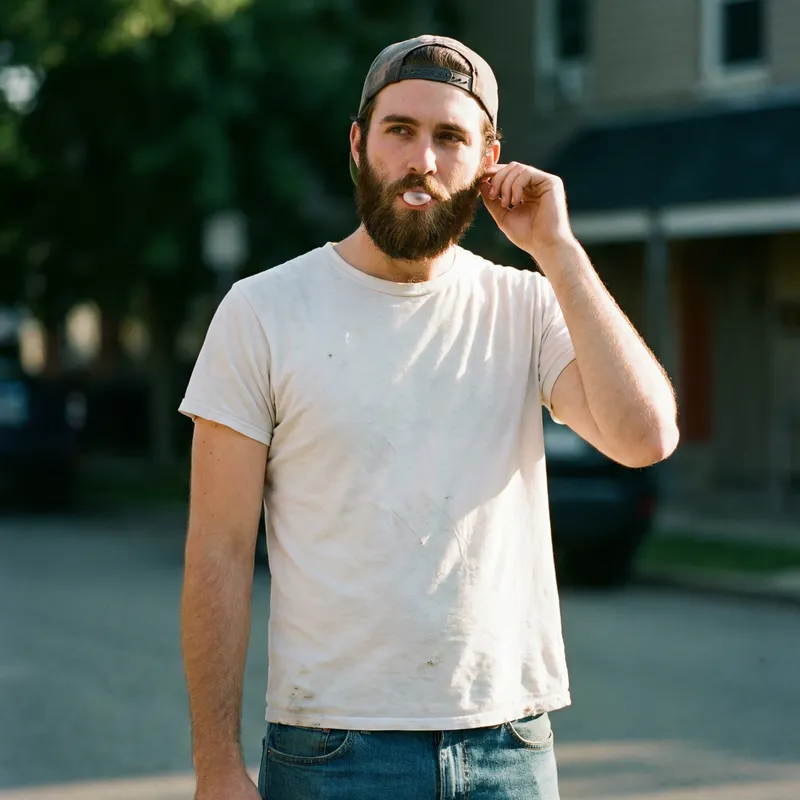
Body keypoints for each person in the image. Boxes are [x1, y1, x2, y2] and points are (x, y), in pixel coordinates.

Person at [179, 34, 679, 800]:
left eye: (450, 137)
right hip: (332, 751)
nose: (423, 159)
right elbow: (216, 551)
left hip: (508, 746)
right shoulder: (263, 311)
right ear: (359, 144)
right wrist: (216, 764)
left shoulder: (527, 305)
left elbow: (646, 437)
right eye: (399, 130)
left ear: (489, 159)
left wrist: (560, 251)